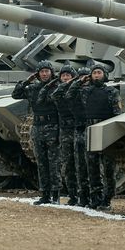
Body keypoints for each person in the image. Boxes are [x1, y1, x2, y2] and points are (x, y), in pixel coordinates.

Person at [67, 64, 121, 210]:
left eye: (99, 73)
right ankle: (95, 198)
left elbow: (117, 113)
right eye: (94, 73)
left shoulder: (112, 91)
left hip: (106, 131)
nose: (97, 75)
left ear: (104, 75)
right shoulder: (86, 91)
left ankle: (107, 199)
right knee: (92, 169)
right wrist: (79, 81)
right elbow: (69, 94)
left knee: (108, 169)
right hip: (90, 131)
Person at [13, 60, 60, 205]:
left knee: (54, 163)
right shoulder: (33, 88)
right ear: (37, 74)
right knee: (41, 163)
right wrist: (27, 80)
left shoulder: (56, 88)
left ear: (51, 73)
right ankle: (45, 194)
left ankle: (56, 195)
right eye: (42, 71)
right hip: (37, 127)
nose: (44, 74)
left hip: (52, 126)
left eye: (47, 71)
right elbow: (16, 94)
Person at [51, 64, 80, 206]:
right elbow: (55, 95)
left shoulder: (80, 90)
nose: (66, 78)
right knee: (68, 165)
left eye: (68, 75)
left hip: (79, 129)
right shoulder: (59, 92)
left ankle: (84, 195)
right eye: (63, 76)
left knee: (81, 164)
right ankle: (73, 195)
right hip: (65, 131)